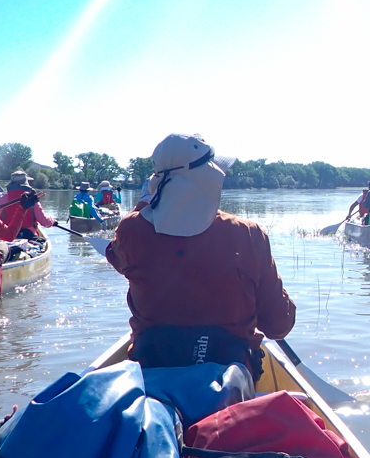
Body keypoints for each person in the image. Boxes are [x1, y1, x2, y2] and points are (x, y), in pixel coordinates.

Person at [106, 133, 295, 378]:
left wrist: (144, 205)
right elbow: (279, 326)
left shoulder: (131, 231)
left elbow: (116, 256)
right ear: (209, 178)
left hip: (150, 373)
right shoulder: (248, 234)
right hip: (230, 379)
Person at [0, 170, 55, 239]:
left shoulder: (2, 199)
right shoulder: (33, 199)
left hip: (7, 235)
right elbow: (44, 222)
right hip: (28, 236)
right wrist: (52, 221)